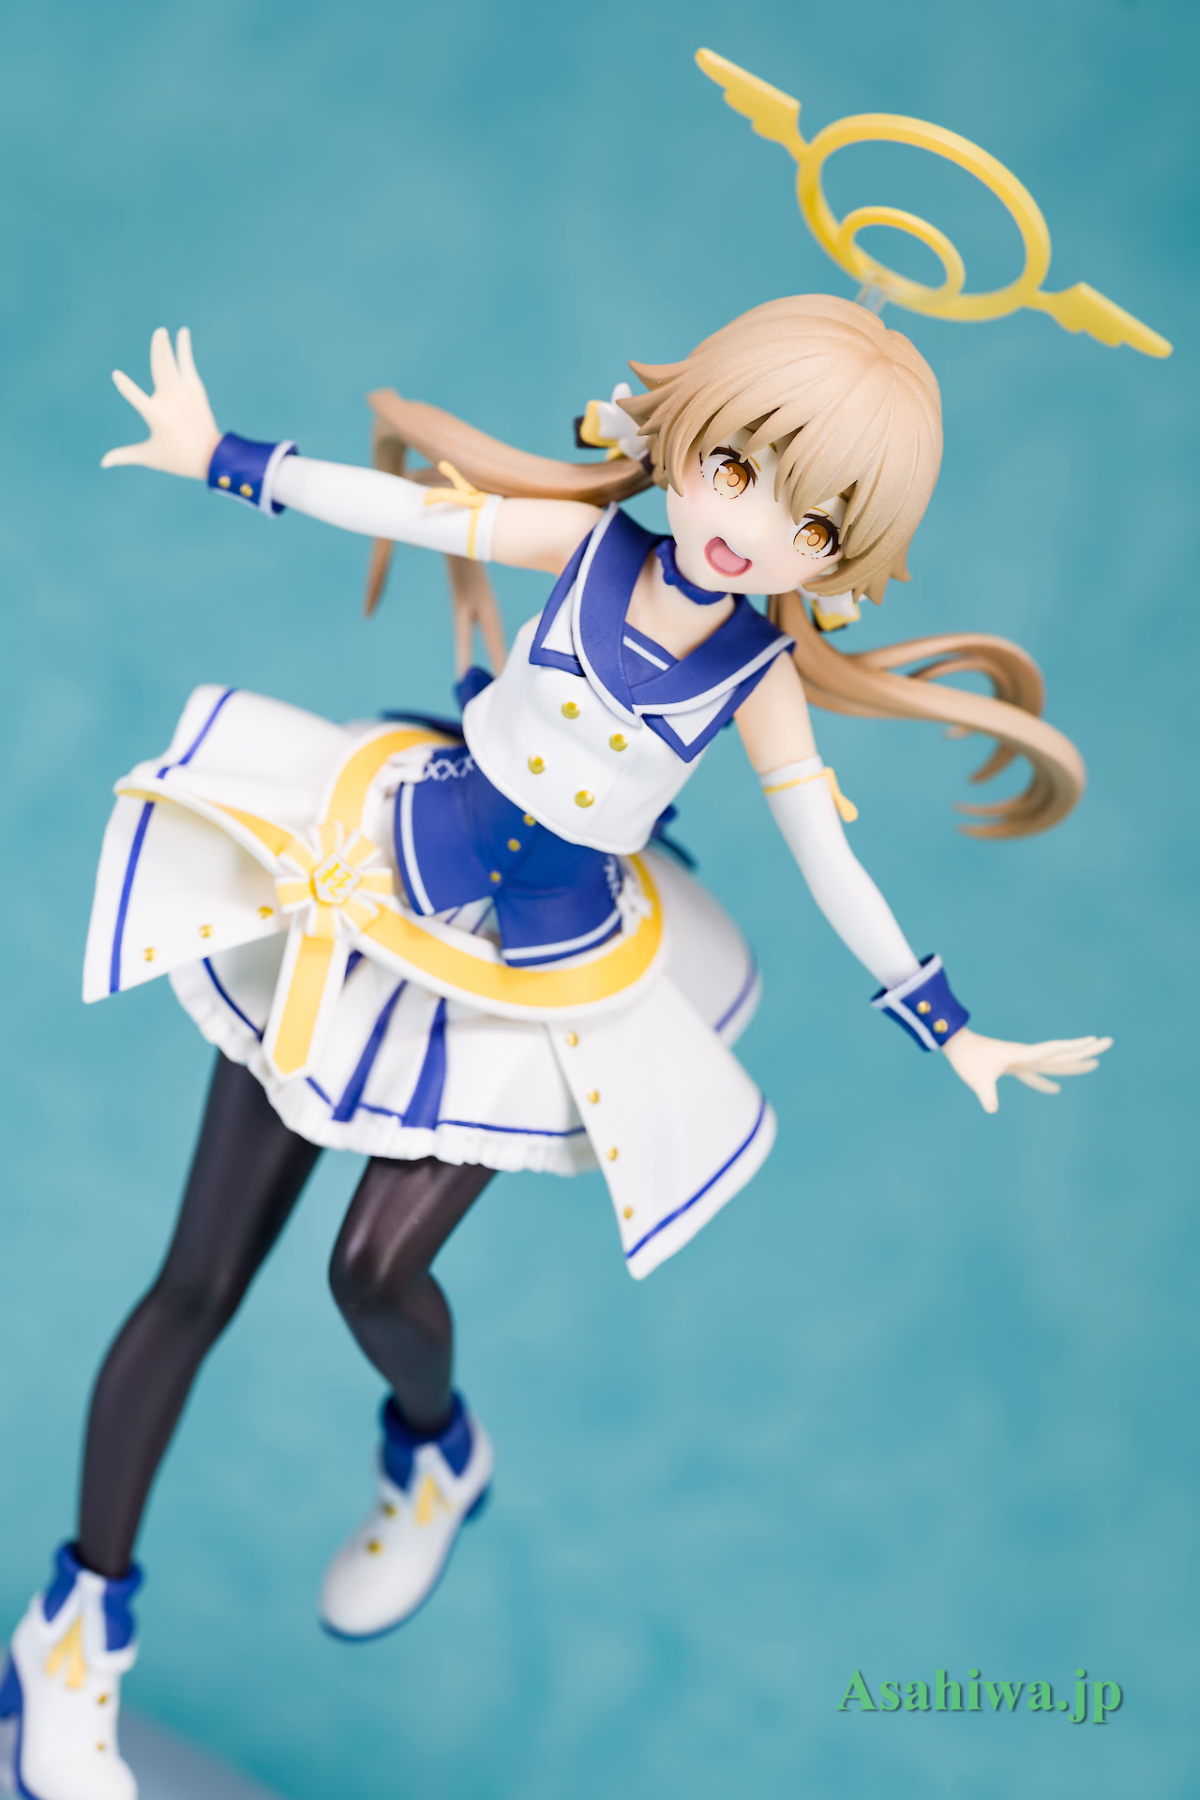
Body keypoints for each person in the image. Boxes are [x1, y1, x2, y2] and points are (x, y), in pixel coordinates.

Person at [1, 296, 1108, 1800]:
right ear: (688, 437)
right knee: (195, 1281)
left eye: (806, 519)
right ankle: (73, 1634)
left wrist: (948, 1023)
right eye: (735, 467)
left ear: (837, 559)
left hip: (536, 966)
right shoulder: (585, 546)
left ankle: (433, 1453)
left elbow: (828, 860)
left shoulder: (759, 677)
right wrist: (224, 457)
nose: (745, 526)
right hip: (388, 872)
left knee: (369, 1273)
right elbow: (408, 506)